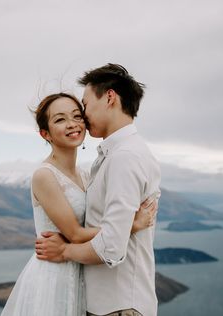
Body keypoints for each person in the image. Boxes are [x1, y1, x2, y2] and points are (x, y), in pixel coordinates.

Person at [1, 92, 158, 316]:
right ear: (45, 134)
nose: (72, 124)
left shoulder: (86, 174)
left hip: (81, 273)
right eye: (60, 119)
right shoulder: (44, 176)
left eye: (77, 116)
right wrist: (131, 225)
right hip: (54, 275)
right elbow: (75, 233)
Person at [35, 64, 161, 316]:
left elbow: (111, 246)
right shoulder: (113, 156)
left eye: (85, 105)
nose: (83, 114)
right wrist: (131, 225)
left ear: (110, 97)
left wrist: (64, 251)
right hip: (107, 304)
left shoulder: (124, 157)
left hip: (119, 305)